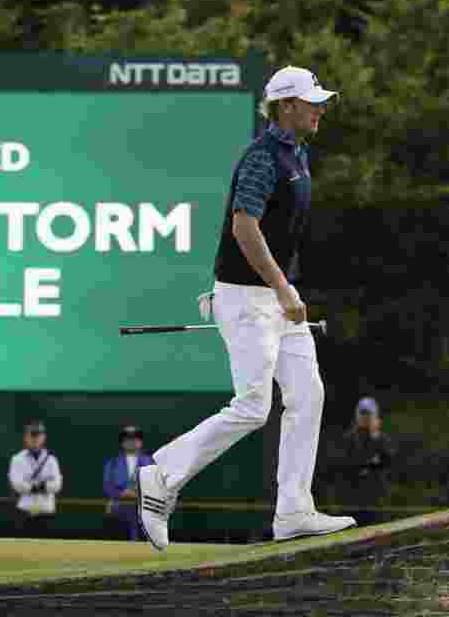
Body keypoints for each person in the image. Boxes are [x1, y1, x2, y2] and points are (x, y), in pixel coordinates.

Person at [137, 66, 357, 550]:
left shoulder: (296, 151)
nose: (320, 108)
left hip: (277, 298)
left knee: (309, 394)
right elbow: (244, 227)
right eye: (310, 101)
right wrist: (283, 289)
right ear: (285, 106)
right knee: (254, 407)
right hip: (249, 297)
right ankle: (161, 475)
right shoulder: (263, 158)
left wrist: (283, 292)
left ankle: (294, 511)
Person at [337, 397, 396, 526]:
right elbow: (349, 465)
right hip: (353, 502)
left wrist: (375, 437)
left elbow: (388, 461)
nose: (365, 417)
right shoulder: (349, 438)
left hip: (378, 502)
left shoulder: (382, 438)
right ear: (357, 415)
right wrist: (371, 463)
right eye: (362, 413)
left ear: (375, 416)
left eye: (368, 414)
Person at [8, 421, 63, 538]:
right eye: (32, 435)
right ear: (26, 438)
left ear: (43, 438)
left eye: (38, 435)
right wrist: (43, 486)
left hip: (47, 512)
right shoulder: (17, 459)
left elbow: (57, 485)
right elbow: (17, 484)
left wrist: (32, 486)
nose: (35, 439)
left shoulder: (52, 460)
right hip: (25, 512)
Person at [103, 425, 155, 541]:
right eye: (128, 439)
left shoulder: (150, 462)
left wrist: (138, 493)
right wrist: (122, 493)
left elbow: (155, 484)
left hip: (144, 509)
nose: (132, 441)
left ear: (140, 442)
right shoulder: (112, 463)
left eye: (135, 439)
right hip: (119, 510)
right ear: (122, 443)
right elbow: (107, 486)